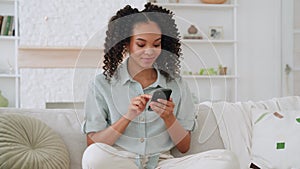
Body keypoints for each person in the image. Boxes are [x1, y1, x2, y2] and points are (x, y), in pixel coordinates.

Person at [81, 2, 239, 169]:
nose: (150, 51)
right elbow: (93, 143)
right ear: (126, 44)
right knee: (93, 156)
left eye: (156, 44)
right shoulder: (101, 84)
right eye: (141, 44)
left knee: (227, 160)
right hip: (122, 162)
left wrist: (168, 117)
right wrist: (128, 116)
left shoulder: (176, 84)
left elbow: (184, 147)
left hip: (163, 164)